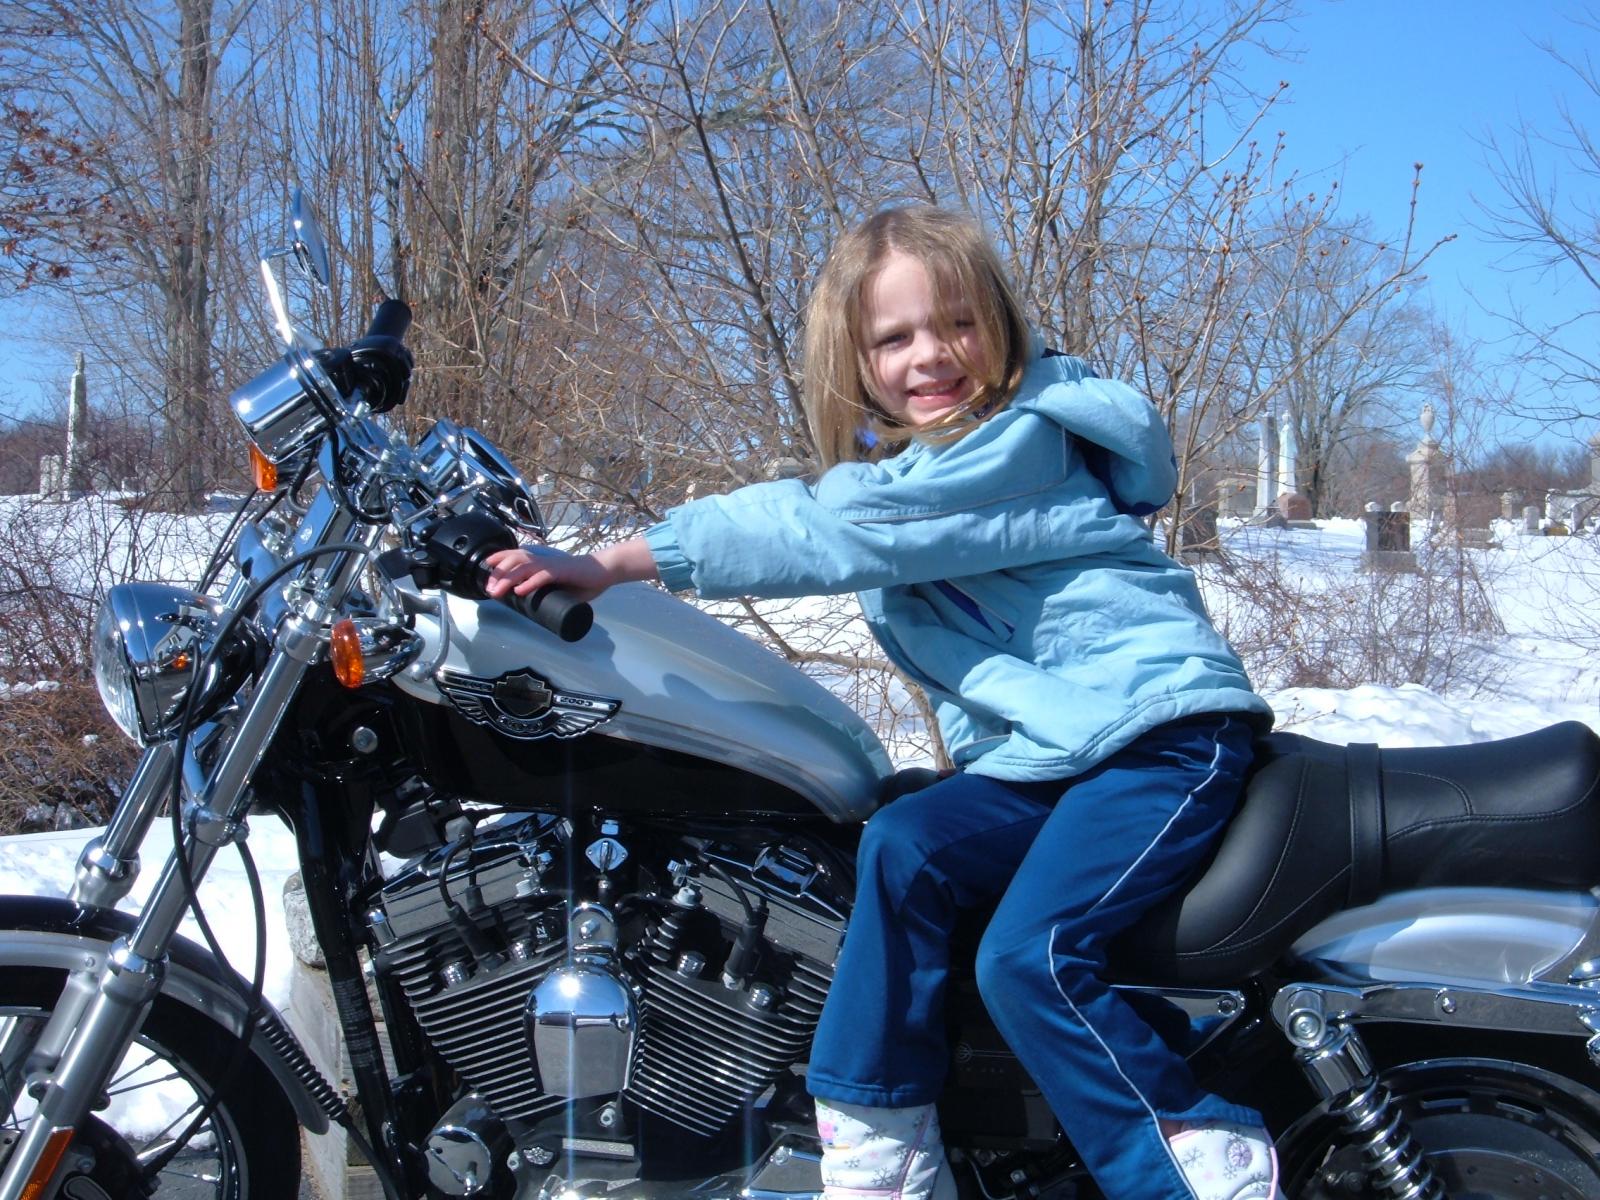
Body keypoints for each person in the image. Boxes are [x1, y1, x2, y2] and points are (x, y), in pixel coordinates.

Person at [485, 205, 1280, 1200]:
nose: (930, 356)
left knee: (1028, 956)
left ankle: (1186, 1164)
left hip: (1158, 736)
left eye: (954, 324)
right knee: (902, 843)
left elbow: (824, 528)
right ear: (854, 361)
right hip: (1055, 753)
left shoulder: (1017, 442)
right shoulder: (927, 471)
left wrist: (612, 562)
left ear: (998, 324)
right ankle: (880, 1146)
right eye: (893, 337)